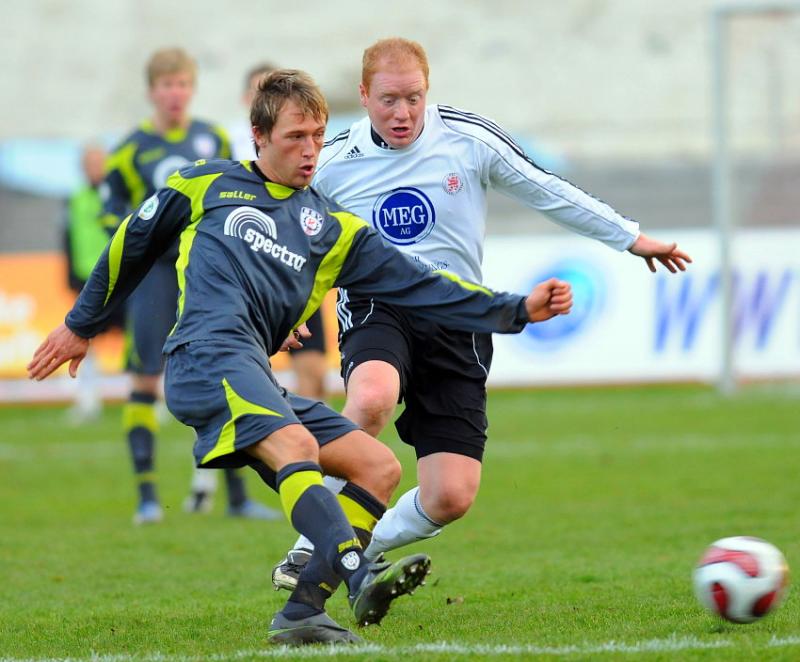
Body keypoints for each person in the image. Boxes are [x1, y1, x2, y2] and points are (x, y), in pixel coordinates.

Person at [28, 69, 573, 646]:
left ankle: (303, 610)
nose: (311, 149)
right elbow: (131, 242)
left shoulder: (334, 231)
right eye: (295, 137)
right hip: (204, 359)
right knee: (297, 446)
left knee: (378, 467)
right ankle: (358, 573)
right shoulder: (206, 184)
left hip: (251, 372)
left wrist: (517, 310)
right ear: (258, 136)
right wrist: (79, 325)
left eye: (317, 135)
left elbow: (426, 285)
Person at [271, 37, 692, 590]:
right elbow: (283, 224)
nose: (403, 113)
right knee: (371, 397)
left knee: (450, 495)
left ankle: (363, 543)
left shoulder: (468, 140)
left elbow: (547, 189)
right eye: (389, 100)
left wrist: (631, 238)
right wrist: (284, 301)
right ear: (364, 96)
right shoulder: (332, 159)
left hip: (458, 314)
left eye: (414, 99)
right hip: (378, 304)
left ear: (429, 93)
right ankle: (314, 544)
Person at [100, 47, 277, 524]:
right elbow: (107, 211)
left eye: (182, 85)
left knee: (224, 373)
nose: (175, 94)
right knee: (143, 379)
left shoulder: (212, 137)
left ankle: (237, 496)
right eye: (166, 85)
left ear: (191, 89)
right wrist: (142, 236)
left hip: (201, 276)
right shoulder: (130, 149)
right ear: (151, 91)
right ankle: (147, 498)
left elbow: (229, 197)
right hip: (153, 279)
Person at [231, 62, 329, 401]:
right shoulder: (230, 153)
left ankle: (314, 450)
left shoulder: (304, 147)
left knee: (315, 375)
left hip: (299, 271)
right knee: (257, 384)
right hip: (257, 277)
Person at [63, 144, 121, 422]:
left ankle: (155, 397)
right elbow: (69, 237)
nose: (94, 168)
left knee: (143, 337)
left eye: (98, 162)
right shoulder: (75, 198)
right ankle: (88, 400)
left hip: (120, 275)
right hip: (87, 278)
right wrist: (71, 274)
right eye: (89, 162)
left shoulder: (118, 194)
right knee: (83, 337)